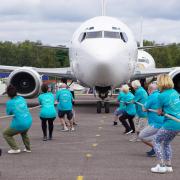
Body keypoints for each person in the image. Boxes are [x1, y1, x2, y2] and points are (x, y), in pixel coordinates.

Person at [151, 74, 180, 173]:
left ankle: (161, 165)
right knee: (166, 143)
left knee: (156, 140)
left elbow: (159, 112)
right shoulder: (175, 92)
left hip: (170, 123)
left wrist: (162, 112)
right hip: (178, 123)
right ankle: (168, 165)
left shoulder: (161, 95)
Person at [3, 85, 32, 154]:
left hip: (20, 123)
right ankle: (28, 148)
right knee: (24, 133)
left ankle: (15, 148)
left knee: (6, 133)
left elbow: (9, 113)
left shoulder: (9, 102)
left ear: (8, 94)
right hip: (28, 120)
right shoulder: (21, 98)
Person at [139, 83, 164, 157]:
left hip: (156, 123)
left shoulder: (152, 96)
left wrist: (145, 105)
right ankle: (155, 147)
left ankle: (157, 147)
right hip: (163, 121)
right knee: (152, 135)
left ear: (149, 90)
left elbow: (144, 109)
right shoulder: (161, 95)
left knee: (142, 136)